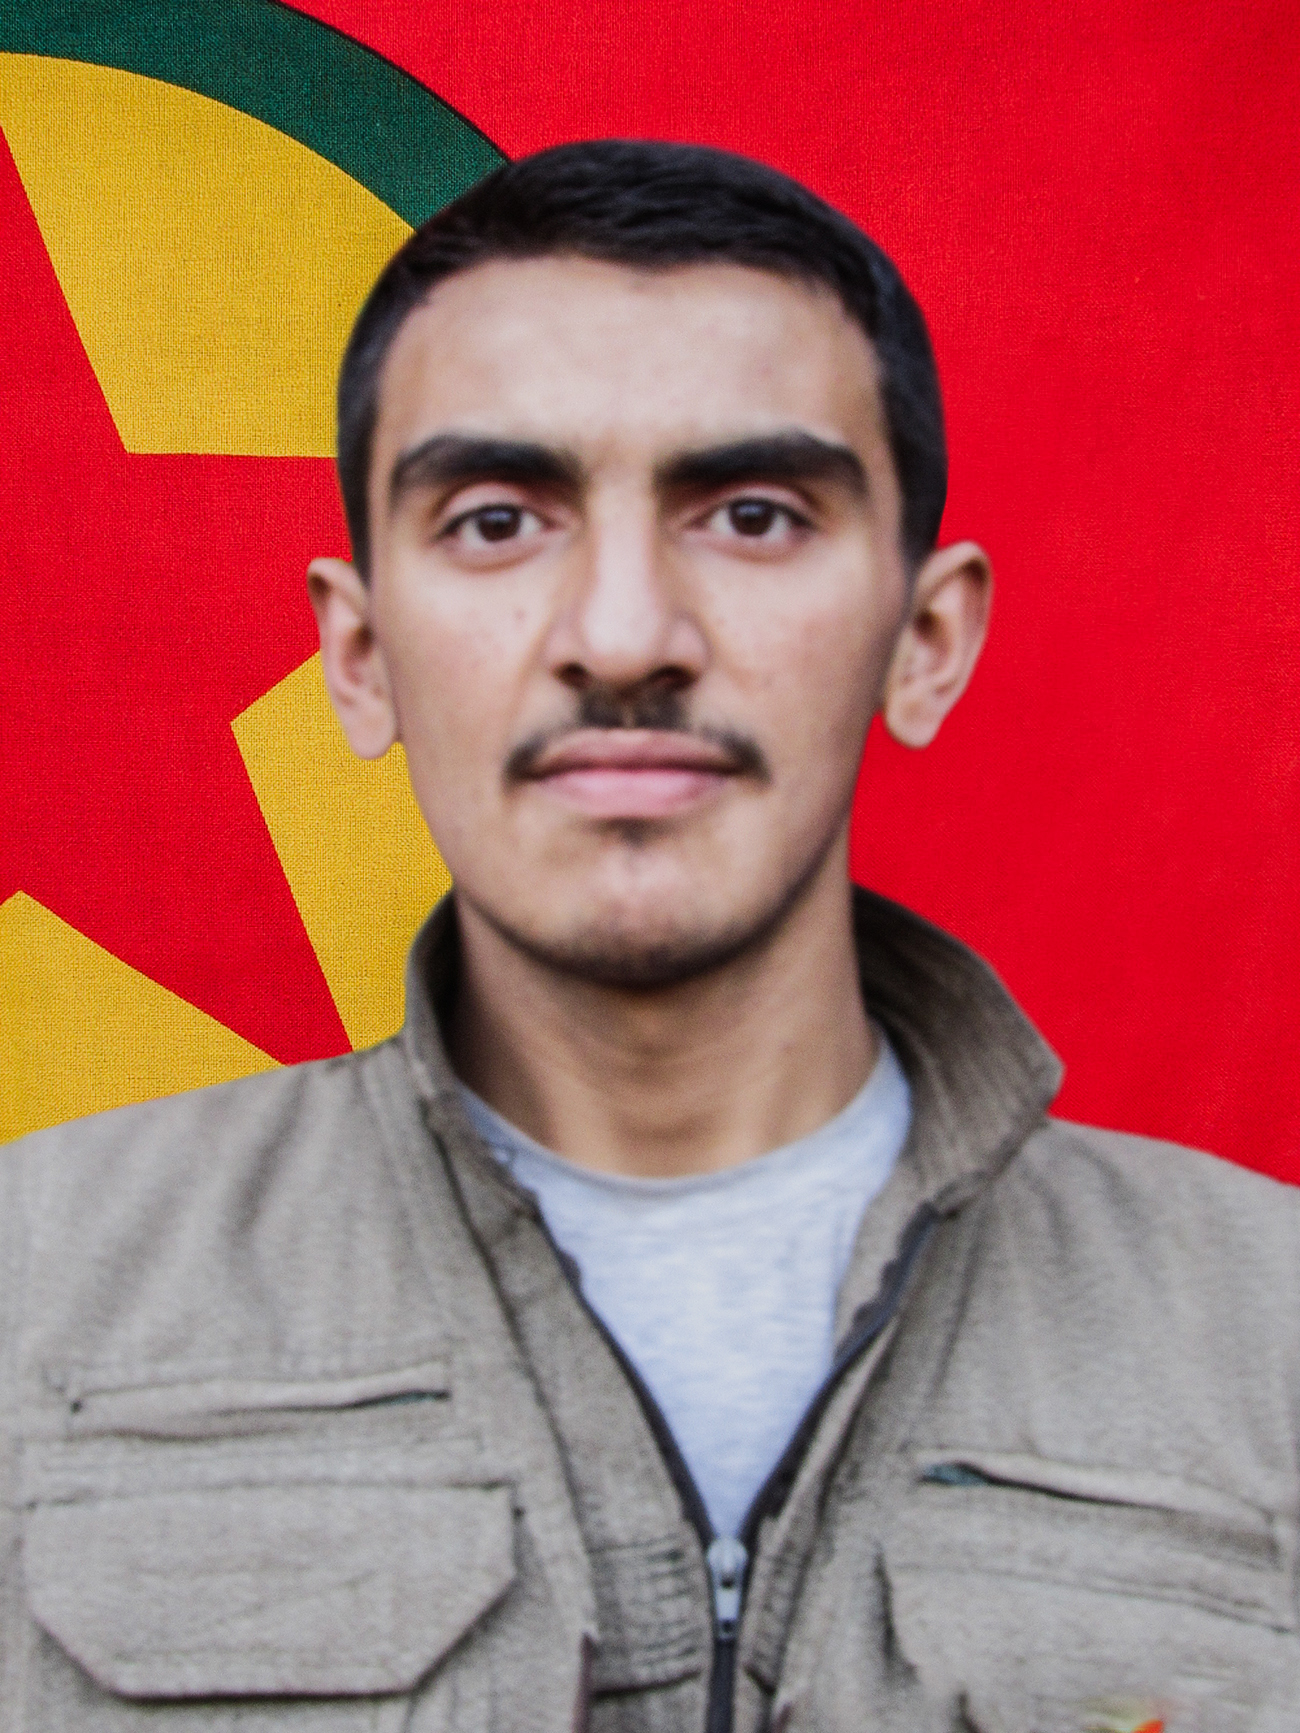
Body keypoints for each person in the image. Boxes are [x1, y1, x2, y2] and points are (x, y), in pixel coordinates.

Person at [2, 141, 1297, 1733]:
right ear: (359, 654)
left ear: (925, 639)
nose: (623, 637)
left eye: (752, 514)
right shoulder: (33, 1291)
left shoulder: (1271, 1328)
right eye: (497, 520)